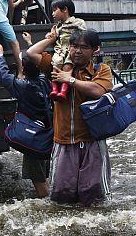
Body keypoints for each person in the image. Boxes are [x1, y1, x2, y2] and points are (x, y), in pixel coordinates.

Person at [27, 29, 113, 206]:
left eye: (84, 47)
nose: (78, 51)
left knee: (94, 198)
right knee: (62, 198)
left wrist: (70, 80)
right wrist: (51, 39)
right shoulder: (57, 66)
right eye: (74, 46)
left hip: (92, 141)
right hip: (64, 141)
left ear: (95, 50)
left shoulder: (101, 70)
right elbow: (31, 53)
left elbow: (98, 90)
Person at [0, 41, 50, 198]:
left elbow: (2, 74)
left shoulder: (23, 87)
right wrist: (31, 44)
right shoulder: (45, 81)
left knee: (38, 179)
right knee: (43, 174)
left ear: (23, 69)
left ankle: (48, 204)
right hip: (45, 134)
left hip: (33, 137)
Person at [49, 0, 87, 101]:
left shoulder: (78, 22)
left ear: (65, 9)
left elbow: (86, 35)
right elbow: (53, 38)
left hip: (71, 50)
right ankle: (54, 90)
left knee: (67, 67)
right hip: (60, 50)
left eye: (54, 10)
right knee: (55, 67)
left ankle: (63, 91)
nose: (53, 13)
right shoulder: (57, 26)